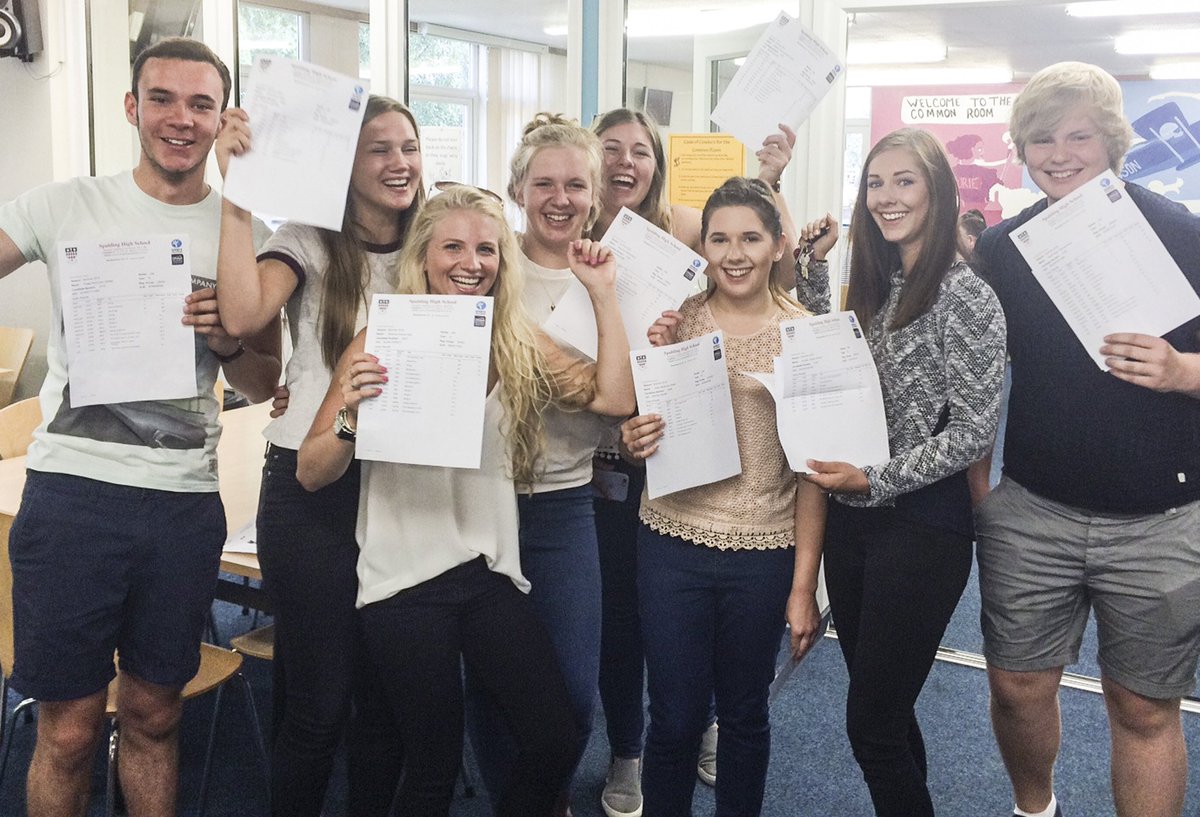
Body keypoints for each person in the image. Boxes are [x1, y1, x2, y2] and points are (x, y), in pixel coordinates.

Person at [0, 37, 278, 817]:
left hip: (181, 503)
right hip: (73, 498)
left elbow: (263, 380)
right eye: (162, 99)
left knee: (157, 715)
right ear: (133, 108)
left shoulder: (242, 228)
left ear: (223, 121)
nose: (181, 119)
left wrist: (225, 339)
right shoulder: (65, 204)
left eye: (200, 104)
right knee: (68, 732)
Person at [294, 184, 635, 816]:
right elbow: (313, 473)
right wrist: (348, 414)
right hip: (403, 580)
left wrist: (603, 293)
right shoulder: (381, 336)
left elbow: (615, 401)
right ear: (423, 255)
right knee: (434, 765)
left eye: (486, 249)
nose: (470, 263)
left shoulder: (513, 337)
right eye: (452, 246)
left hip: (485, 573)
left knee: (555, 735)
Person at [973, 62, 1200, 817]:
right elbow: (971, 374)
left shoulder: (1181, 233)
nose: (1060, 152)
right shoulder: (1004, 250)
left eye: (1080, 134)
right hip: (1035, 509)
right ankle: (1035, 808)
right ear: (1022, 149)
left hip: (1162, 521)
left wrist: (1182, 369)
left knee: (1142, 708)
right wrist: (983, 494)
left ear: (1113, 140)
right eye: (1042, 137)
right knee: (1016, 686)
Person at [587, 107, 804, 817]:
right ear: (700, 246)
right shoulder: (671, 320)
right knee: (674, 717)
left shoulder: (807, 335)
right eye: (720, 239)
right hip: (670, 541)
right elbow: (629, 421)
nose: (735, 252)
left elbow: (814, 476)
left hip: (766, 550)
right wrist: (635, 435)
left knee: (743, 715)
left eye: (751, 237)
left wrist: (805, 585)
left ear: (777, 244)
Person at [215, 94, 424, 816]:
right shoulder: (306, 236)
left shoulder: (437, 240)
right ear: (346, 163)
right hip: (311, 490)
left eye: (408, 147)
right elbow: (243, 317)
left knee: (385, 701)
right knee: (319, 705)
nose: (400, 163)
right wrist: (236, 198)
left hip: (402, 486)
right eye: (379, 149)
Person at [803, 128, 1006, 816]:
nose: (886, 197)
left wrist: (875, 478)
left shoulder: (967, 296)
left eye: (904, 181)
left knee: (871, 723)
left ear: (939, 192)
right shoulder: (878, 284)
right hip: (853, 525)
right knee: (885, 709)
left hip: (922, 527)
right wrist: (811, 267)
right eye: (875, 183)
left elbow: (977, 429)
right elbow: (823, 361)